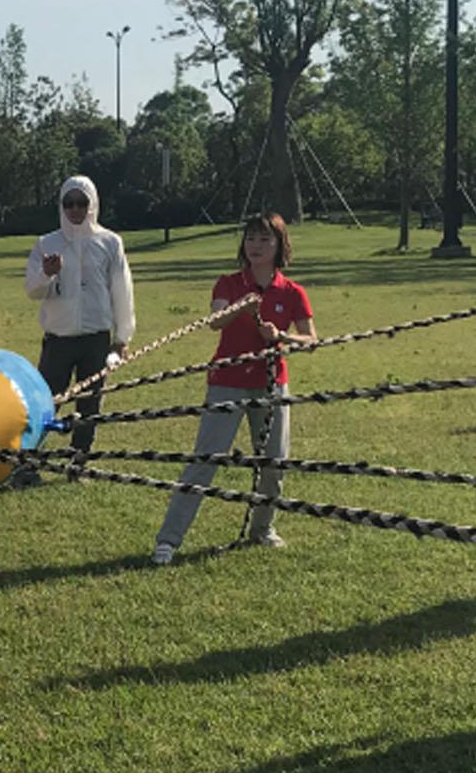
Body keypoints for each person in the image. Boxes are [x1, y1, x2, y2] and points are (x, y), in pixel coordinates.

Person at [153, 214, 314, 563]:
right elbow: (215, 321)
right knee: (203, 463)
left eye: (265, 240)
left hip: (272, 385)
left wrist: (282, 336)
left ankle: (263, 530)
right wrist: (242, 307)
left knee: (274, 463)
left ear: (279, 246)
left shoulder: (293, 292)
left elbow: (310, 338)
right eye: (251, 239)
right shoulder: (228, 283)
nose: (256, 246)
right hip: (226, 384)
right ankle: (168, 540)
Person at [18, 176, 135, 484]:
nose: (75, 209)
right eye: (68, 203)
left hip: (96, 339)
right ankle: (29, 465)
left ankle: (78, 463)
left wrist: (122, 338)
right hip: (58, 340)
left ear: (92, 204)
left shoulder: (110, 242)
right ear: (61, 206)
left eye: (81, 203)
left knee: (90, 404)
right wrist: (46, 273)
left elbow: (122, 291)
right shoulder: (47, 243)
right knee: (46, 401)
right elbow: (31, 290)